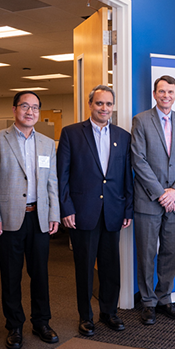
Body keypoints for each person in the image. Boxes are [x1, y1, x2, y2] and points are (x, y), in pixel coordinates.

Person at [0, 91, 60, 349]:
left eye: (35, 108)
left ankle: (41, 322)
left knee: (40, 274)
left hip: (39, 218)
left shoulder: (48, 143)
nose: (30, 112)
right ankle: (14, 325)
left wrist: (54, 214)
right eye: (25, 106)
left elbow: (52, 184)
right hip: (8, 220)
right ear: (14, 109)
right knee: (11, 276)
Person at [57, 85, 133, 336]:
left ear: (113, 107)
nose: (104, 108)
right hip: (82, 212)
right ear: (90, 105)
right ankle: (85, 317)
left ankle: (109, 313)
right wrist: (66, 207)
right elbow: (62, 176)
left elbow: (126, 177)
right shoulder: (71, 133)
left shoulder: (123, 136)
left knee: (111, 267)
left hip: (113, 210)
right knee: (85, 267)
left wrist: (127, 210)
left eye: (108, 104)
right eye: (99, 103)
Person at [131, 75, 175, 325]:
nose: (166, 95)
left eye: (170, 91)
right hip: (149, 200)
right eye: (161, 91)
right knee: (147, 253)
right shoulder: (141, 120)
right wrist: (161, 193)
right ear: (155, 94)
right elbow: (138, 160)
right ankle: (148, 302)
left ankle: (164, 298)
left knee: (170, 252)